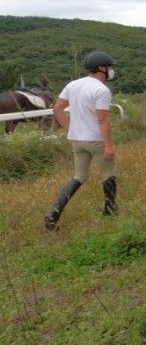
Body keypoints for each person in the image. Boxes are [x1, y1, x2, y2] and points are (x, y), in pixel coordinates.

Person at [44, 51, 118, 231]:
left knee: (80, 175)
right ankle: (110, 210)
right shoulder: (101, 90)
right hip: (96, 140)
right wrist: (109, 144)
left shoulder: (72, 85)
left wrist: (70, 131)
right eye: (109, 67)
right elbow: (102, 119)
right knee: (109, 172)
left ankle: (54, 212)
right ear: (101, 68)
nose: (111, 71)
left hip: (77, 140)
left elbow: (57, 109)